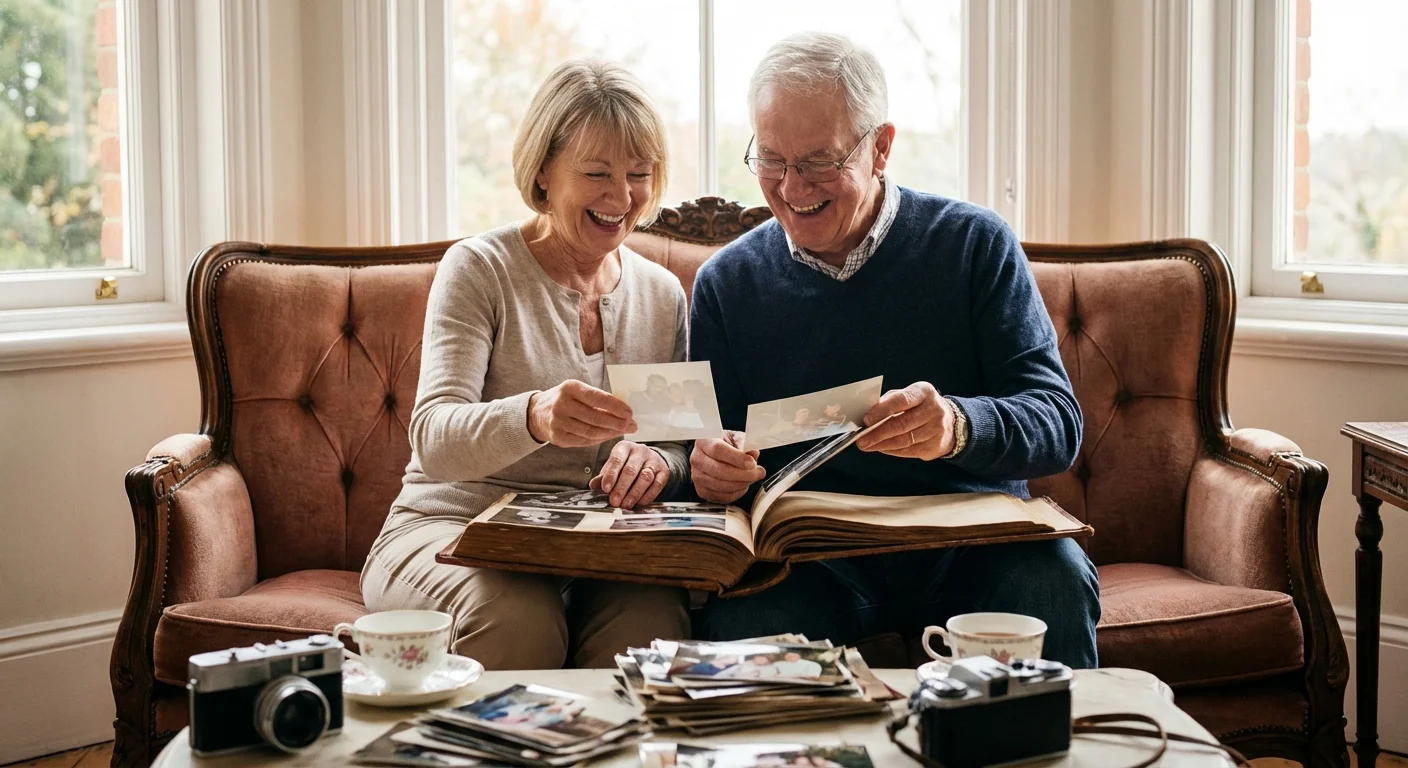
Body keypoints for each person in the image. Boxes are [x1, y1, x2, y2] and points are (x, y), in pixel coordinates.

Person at [687, 33, 1099, 668]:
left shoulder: (973, 244)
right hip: (813, 559)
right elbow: (711, 445)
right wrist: (710, 466)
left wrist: (956, 427)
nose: (792, 187)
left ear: (880, 147)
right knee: (746, 618)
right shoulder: (727, 283)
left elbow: (1058, 422)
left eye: (819, 162)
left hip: (972, 544)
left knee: (1049, 578)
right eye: (771, 159)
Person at [360, 59, 692, 670]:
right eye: (596, 173)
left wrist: (653, 462)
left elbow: (672, 446)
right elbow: (434, 439)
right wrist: (534, 416)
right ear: (542, 172)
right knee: (516, 616)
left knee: (653, 621)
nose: (621, 198)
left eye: (639, 175)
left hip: (597, 552)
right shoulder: (480, 269)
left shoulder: (662, 295)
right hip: (450, 529)